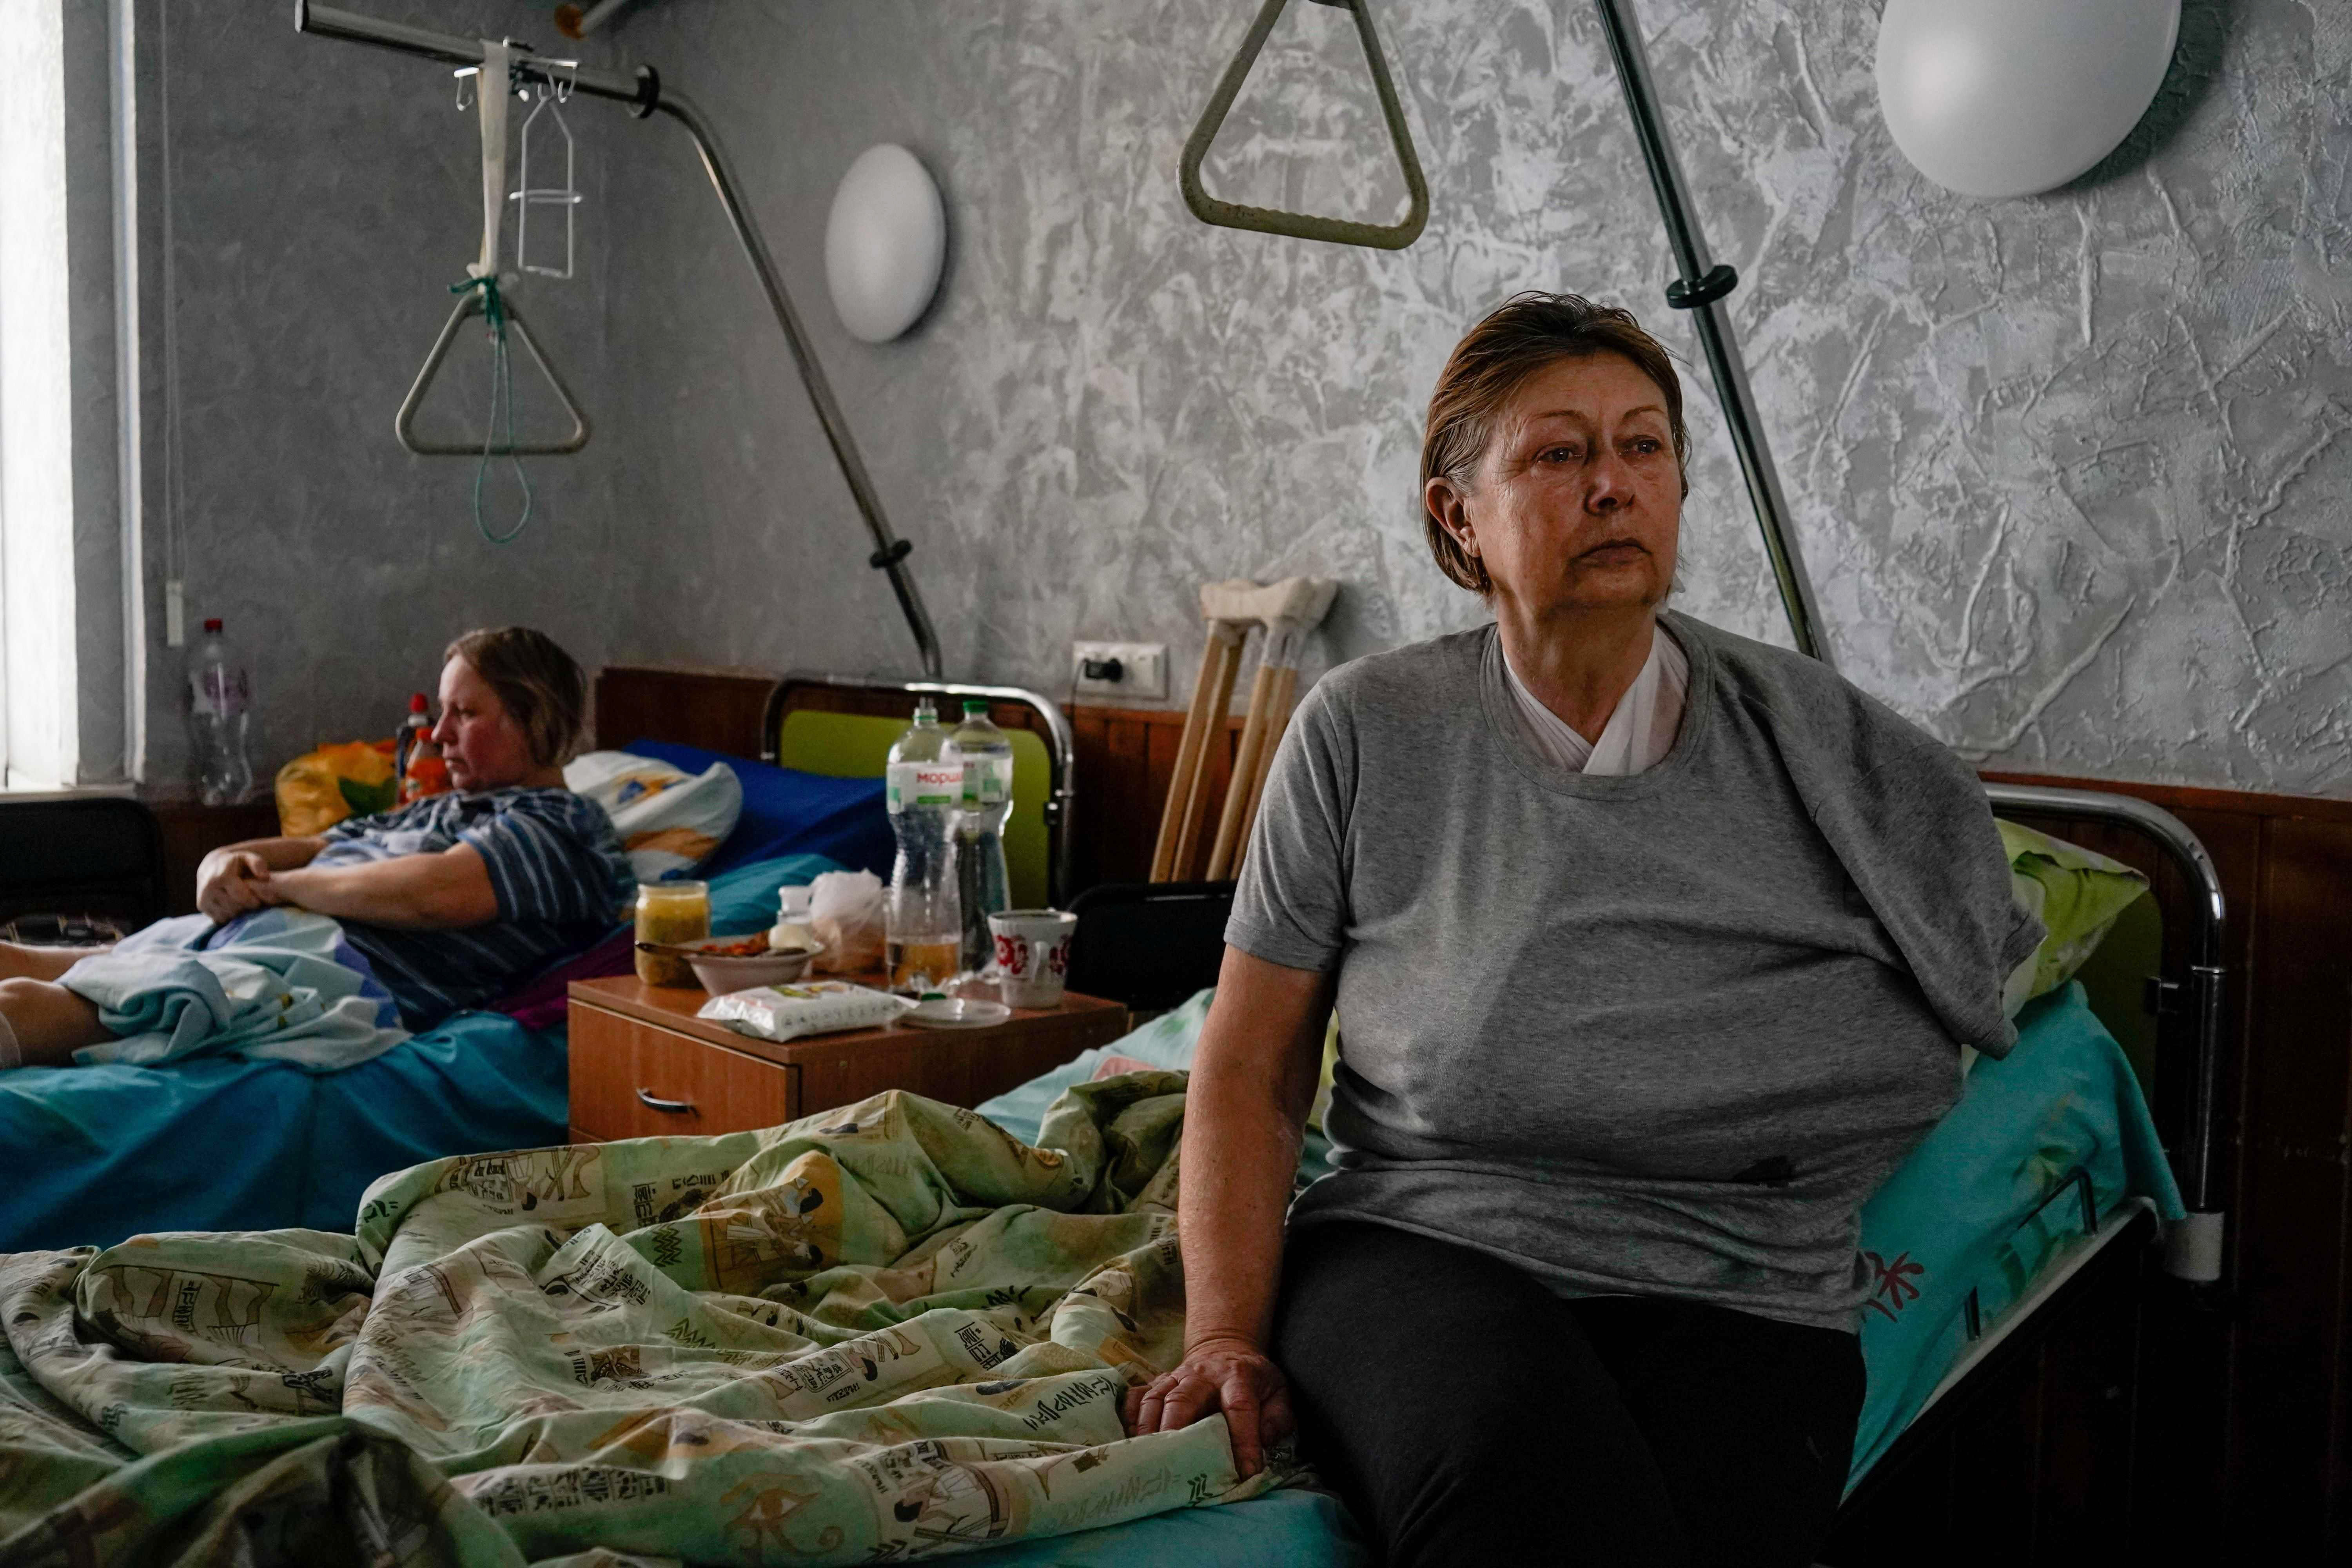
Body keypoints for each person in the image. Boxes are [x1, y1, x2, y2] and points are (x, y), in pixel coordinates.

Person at [1122, 294, 2041, 1567]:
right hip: (1423, 1239)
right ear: (1459, 513)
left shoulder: (1821, 743)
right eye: (1560, 454)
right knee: (1509, 1499)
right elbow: (1252, 1057)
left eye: (1644, 447)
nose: (1614, 486)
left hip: (1741, 1275)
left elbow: (1976, 962)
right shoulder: (1367, 729)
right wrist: (1225, 1333)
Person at [0, 627, 632, 1070]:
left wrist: (276, 888)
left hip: (330, 972)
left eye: (465, 713)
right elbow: (307, 847)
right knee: (12, 960)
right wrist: (220, 865)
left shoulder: (560, 826)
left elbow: (436, 895)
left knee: (34, 1007)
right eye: (442, 712)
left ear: (536, 719)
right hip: (251, 936)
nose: (438, 736)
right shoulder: (441, 808)